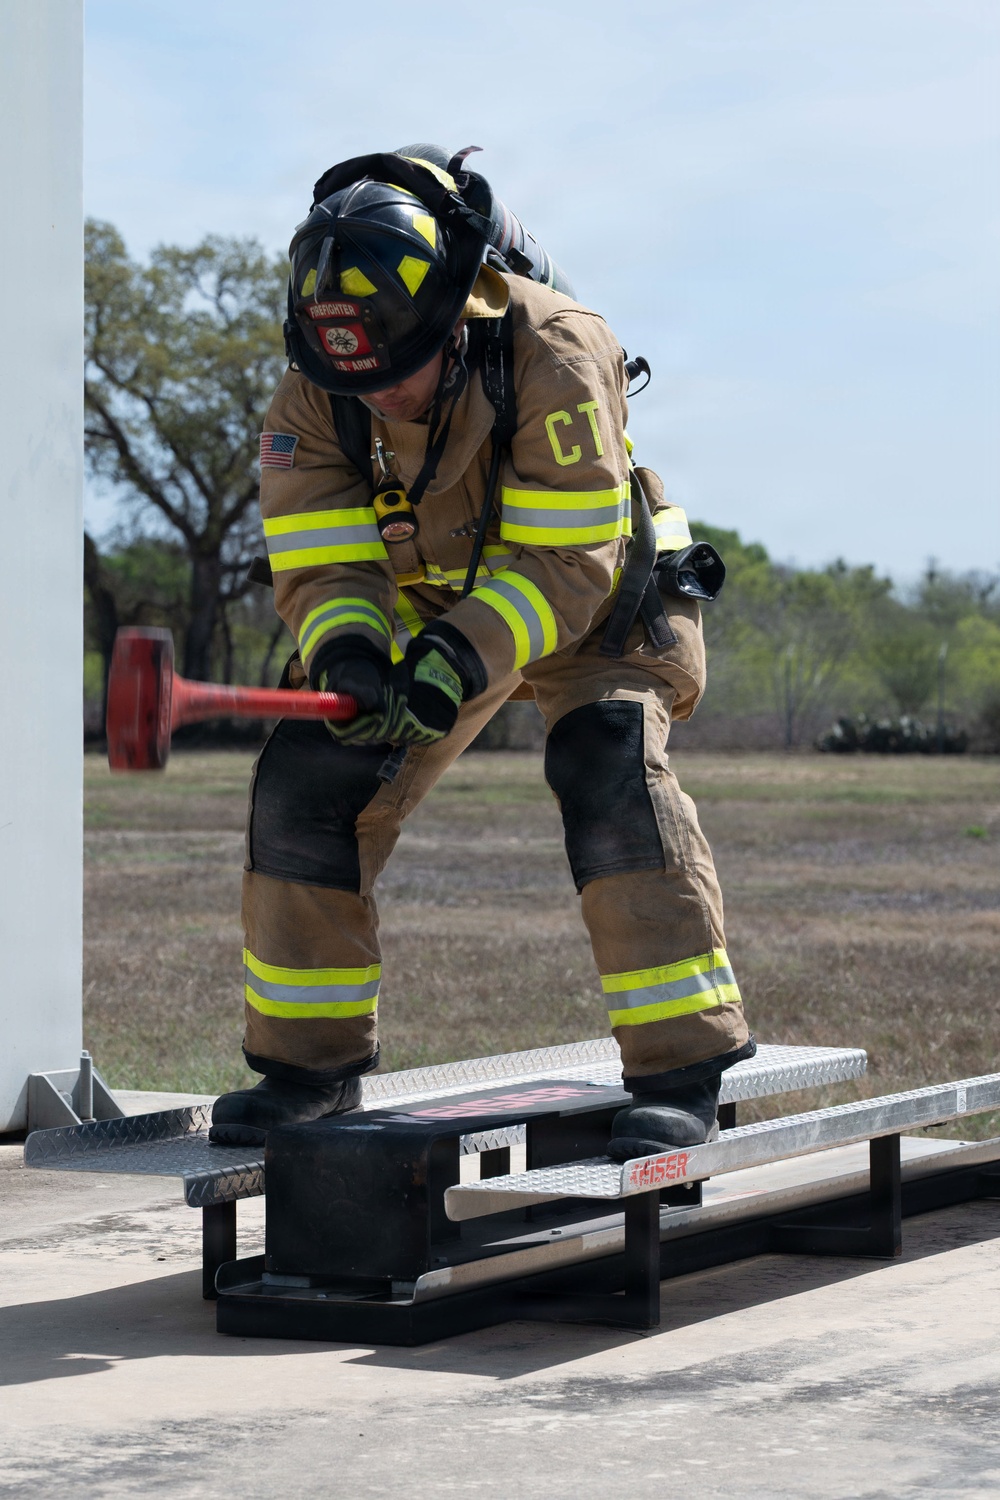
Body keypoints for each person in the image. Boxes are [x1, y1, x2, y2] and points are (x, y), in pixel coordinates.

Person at [210, 145, 754, 1156]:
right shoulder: (316, 391)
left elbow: (565, 561)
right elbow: (322, 561)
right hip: (433, 606)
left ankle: (683, 1069)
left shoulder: (557, 348)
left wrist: (458, 659)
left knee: (605, 764)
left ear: (457, 315)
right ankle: (305, 1075)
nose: (376, 395)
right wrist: (349, 657)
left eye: (395, 370)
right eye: (348, 377)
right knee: (306, 781)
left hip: (597, 596)